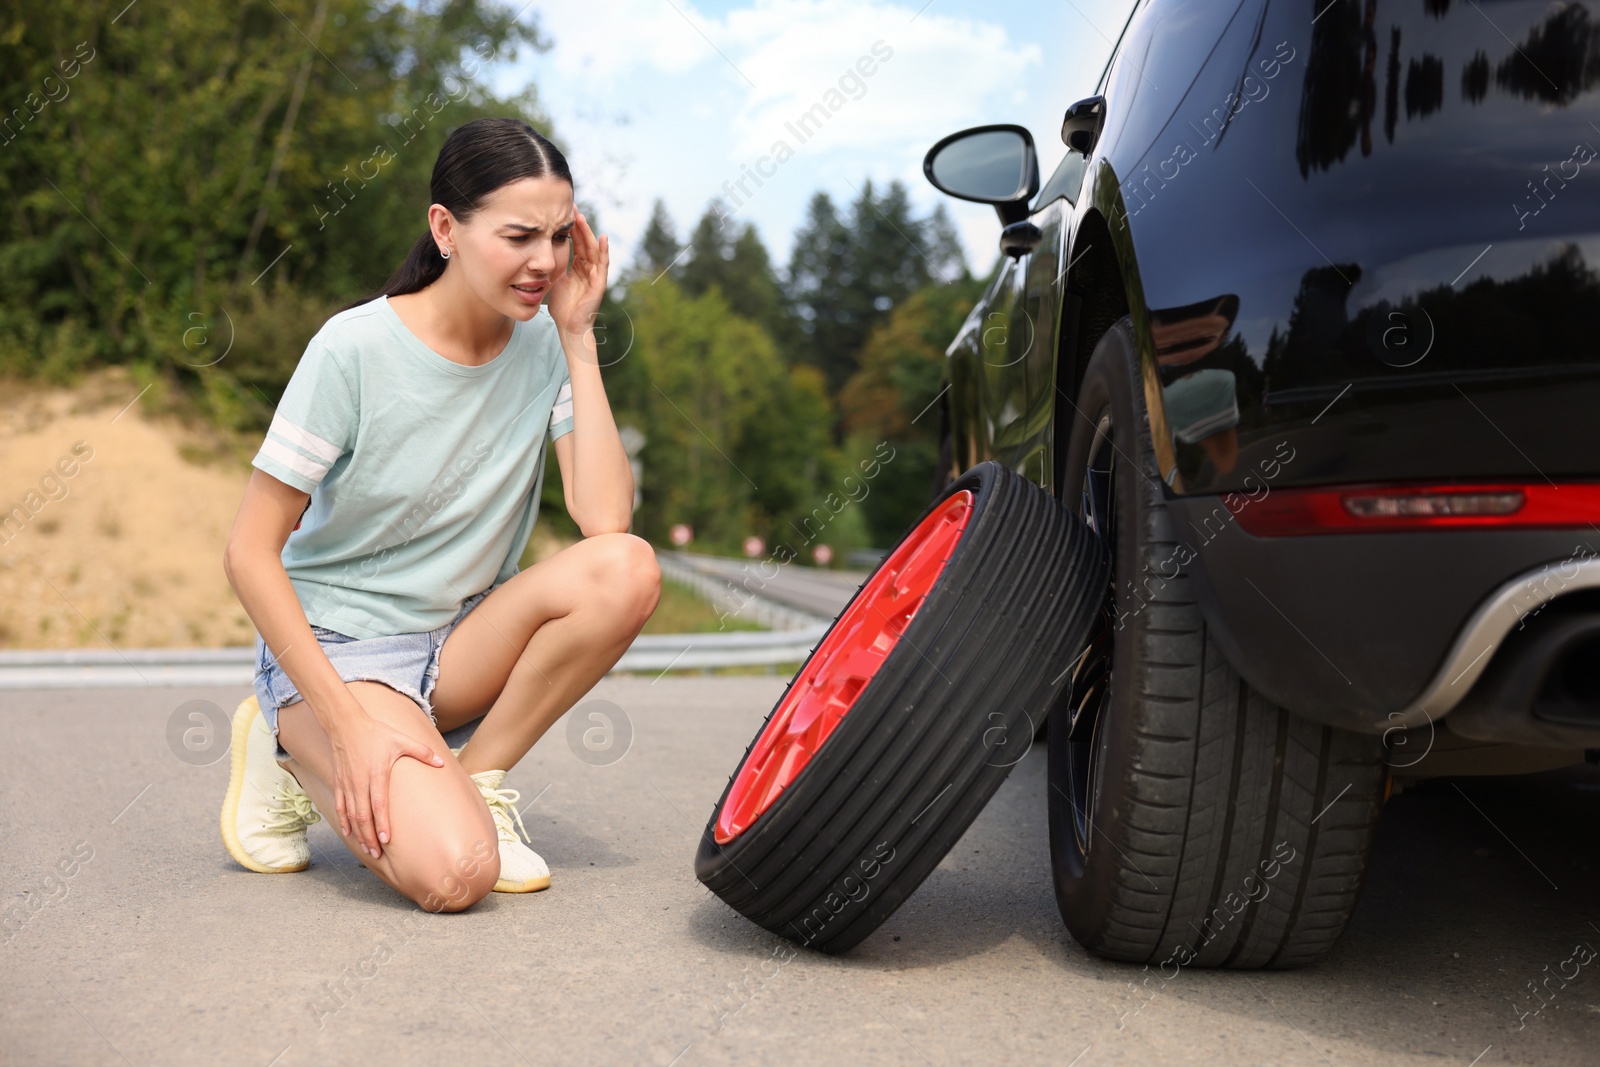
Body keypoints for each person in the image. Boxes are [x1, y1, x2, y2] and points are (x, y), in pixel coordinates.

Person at [219, 118, 660, 913]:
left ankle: (477, 777)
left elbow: (606, 523)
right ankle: (287, 736)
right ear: (445, 228)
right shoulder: (351, 350)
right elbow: (250, 553)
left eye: (560, 237)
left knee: (629, 567)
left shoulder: (545, 344)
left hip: (460, 646)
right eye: (520, 235)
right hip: (345, 652)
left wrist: (579, 337)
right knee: (459, 872)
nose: (546, 263)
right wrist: (347, 721)